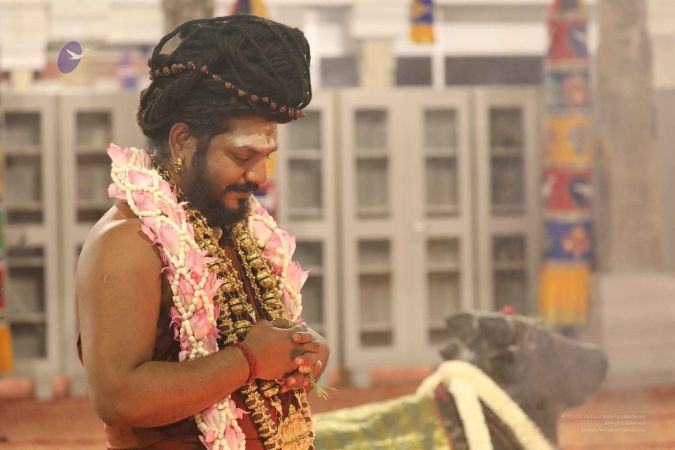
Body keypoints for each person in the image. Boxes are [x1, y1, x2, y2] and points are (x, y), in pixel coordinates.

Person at [75, 15, 329, 450]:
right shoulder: (126, 241)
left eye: (267, 156)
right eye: (243, 156)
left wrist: (300, 347)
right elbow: (117, 398)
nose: (260, 176)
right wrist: (248, 360)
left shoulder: (229, 223)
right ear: (182, 142)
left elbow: (255, 342)